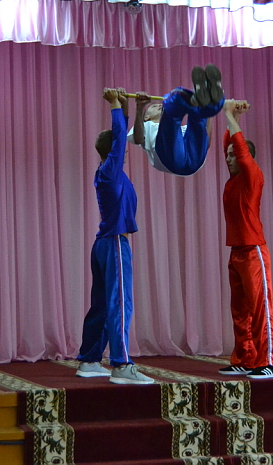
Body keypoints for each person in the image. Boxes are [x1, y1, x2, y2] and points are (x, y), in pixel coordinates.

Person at [75, 87, 155, 385]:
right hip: (114, 244)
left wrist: (133, 108)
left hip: (103, 245)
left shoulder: (109, 173)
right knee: (120, 303)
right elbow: (121, 138)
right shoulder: (109, 171)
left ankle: (89, 360)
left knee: (100, 305)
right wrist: (114, 105)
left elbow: (125, 137)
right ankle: (121, 365)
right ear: (113, 152)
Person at [218, 100, 273, 379]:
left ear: (246, 158)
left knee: (259, 308)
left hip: (254, 251)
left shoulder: (252, 176)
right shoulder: (232, 181)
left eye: (233, 156)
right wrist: (234, 118)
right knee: (240, 310)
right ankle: (245, 358)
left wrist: (229, 114)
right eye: (228, 155)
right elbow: (229, 144)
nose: (228, 158)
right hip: (236, 251)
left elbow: (240, 149)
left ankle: (268, 362)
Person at [127, 65, 225, 176]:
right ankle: (186, 98)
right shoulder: (147, 125)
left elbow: (204, 141)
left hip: (195, 162)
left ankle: (204, 102)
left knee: (198, 120)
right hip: (171, 161)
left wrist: (208, 115)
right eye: (153, 106)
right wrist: (140, 108)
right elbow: (138, 139)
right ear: (146, 117)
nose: (159, 105)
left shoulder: (182, 130)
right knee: (172, 117)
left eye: (158, 105)